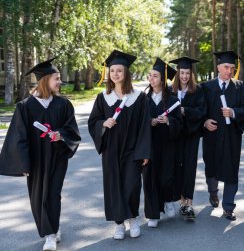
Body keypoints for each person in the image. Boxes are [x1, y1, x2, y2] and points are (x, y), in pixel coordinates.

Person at [0, 58, 81, 251]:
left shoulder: (63, 105)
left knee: (53, 194)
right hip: (35, 159)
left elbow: (72, 130)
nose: (60, 82)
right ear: (45, 80)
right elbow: (18, 137)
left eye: (60, 78)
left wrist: (60, 135)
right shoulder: (25, 106)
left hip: (57, 157)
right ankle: (51, 229)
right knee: (38, 197)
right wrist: (23, 164)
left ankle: (50, 234)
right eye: (57, 78)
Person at [88, 50, 151, 240]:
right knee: (114, 186)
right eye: (112, 71)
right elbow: (93, 121)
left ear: (126, 73)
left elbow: (145, 126)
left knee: (132, 185)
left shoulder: (139, 98)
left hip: (133, 149)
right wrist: (103, 124)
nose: (115, 74)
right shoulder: (103, 97)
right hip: (111, 150)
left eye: (119, 70)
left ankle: (133, 218)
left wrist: (144, 152)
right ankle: (119, 224)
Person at [202, 51, 244, 221]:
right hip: (212, 136)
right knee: (211, 169)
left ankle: (228, 207)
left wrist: (233, 112)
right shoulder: (206, 87)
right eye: (226, 67)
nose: (229, 71)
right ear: (218, 67)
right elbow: (200, 109)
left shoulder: (240, 87)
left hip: (232, 137)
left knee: (231, 170)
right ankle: (213, 192)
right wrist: (204, 122)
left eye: (232, 67)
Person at [143, 58, 183, 228]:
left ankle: (167, 199)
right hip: (150, 145)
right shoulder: (144, 100)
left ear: (162, 79)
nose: (151, 79)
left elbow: (180, 124)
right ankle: (153, 214)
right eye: (150, 76)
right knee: (150, 179)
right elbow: (138, 122)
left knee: (166, 177)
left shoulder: (172, 100)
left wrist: (168, 121)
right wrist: (149, 121)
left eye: (155, 76)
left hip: (167, 145)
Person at [169, 56, 206, 221]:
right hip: (175, 135)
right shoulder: (170, 90)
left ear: (191, 74)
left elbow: (201, 112)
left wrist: (185, 111)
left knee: (190, 166)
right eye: (182, 72)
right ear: (178, 73)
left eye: (187, 73)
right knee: (177, 166)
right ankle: (182, 201)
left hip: (191, 134)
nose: (184, 76)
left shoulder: (197, 90)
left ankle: (189, 203)